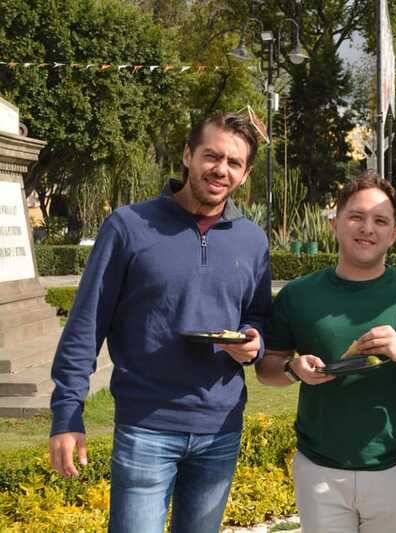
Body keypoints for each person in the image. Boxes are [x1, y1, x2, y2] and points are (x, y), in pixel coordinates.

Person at [49, 112, 272, 533]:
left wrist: (254, 342)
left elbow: (257, 316)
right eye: (212, 155)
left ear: (244, 175)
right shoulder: (129, 227)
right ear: (188, 155)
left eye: (234, 163)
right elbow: (85, 323)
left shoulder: (253, 239)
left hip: (220, 428)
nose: (221, 169)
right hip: (145, 427)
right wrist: (67, 414)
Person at [256, 171, 396, 533]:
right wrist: (292, 368)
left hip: (394, 468)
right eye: (356, 217)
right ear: (335, 225)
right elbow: (266, 369)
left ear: (394, 234)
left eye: (380, 220)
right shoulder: (297, 295)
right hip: (319, 469)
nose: (367, 228)